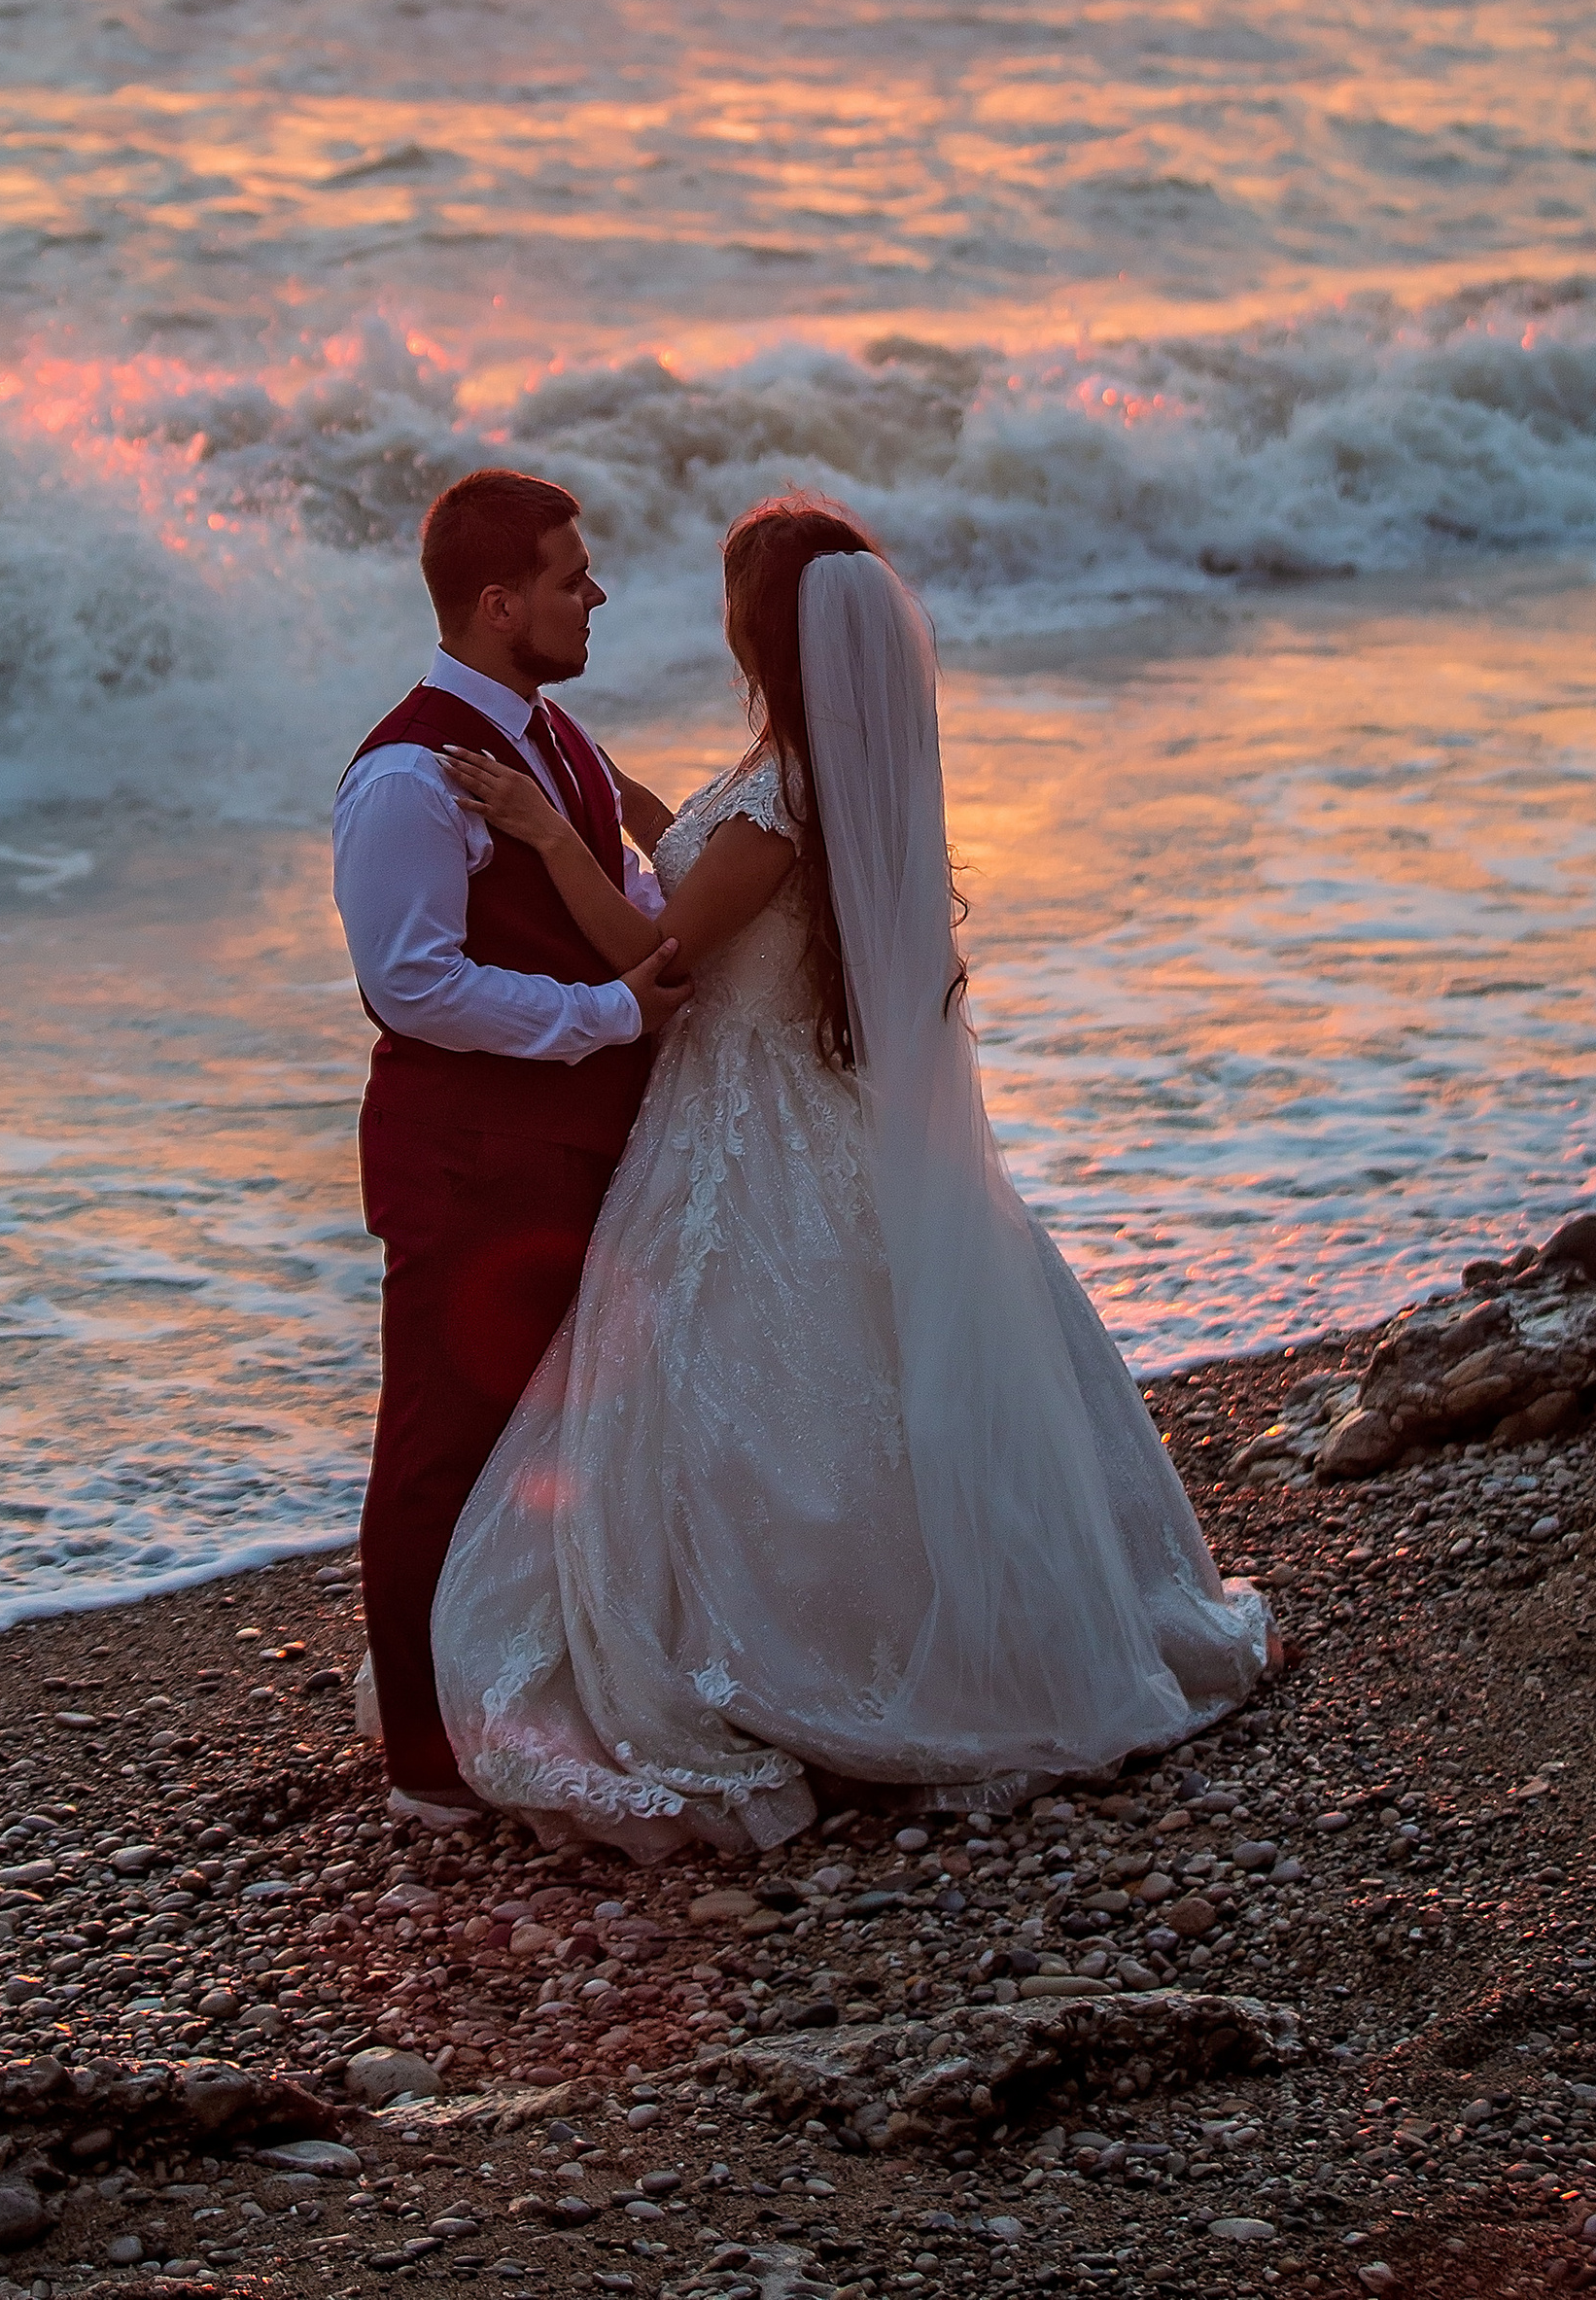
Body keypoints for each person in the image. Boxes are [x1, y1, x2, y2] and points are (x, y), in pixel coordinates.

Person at [426, 494, 1269, 1854]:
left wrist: (542, 830)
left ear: (760, 631)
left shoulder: (782, 796)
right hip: (799, 1101)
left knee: (748, 1380)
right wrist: (619, 796)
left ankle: (804, 1654)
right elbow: (700, 852)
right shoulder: (808, 772)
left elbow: (661, 961)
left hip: (744, 1113)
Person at [331, 466, 691, 1828]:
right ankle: (427, 1761)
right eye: (566, 576)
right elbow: (410, 984)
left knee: (546, 1443)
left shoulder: (563, 742)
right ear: (496, 603)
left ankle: (522, 1697)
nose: (592, 593)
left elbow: (626, 891)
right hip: (468, 1156)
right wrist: (607, 1012)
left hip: (567, 1149)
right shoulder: (408, 776)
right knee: (439, 1439)